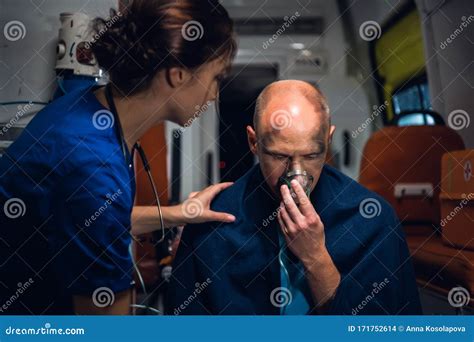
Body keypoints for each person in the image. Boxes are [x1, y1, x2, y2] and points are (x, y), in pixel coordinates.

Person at [0, 0, 236, 314]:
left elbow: (96, 220)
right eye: (216, 78)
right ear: (178, 75)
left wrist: (182, 213)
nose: (214, 95)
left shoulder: (86, 103)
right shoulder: (92, 167)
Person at [166, 80, 422, 315]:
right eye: (280, 157)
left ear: (328, 139)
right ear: (253, 142)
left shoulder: (374, 219)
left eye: (311, 156)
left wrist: (315, 258)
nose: (296, 177)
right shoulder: (213, 223)